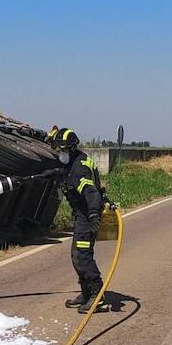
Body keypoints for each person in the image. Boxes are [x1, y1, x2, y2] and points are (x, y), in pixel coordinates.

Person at [46, 126, 108, 312]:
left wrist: (93, 215)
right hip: (82, 214)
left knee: (82, 256)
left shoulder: (79, 168)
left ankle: (98, 296)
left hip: (87, 215)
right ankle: (87, 292)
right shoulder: (73, 161)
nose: (59, 153)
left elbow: (91, 193)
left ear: (70, 149)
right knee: (76, 255)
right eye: (58, 149)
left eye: (62, 149)